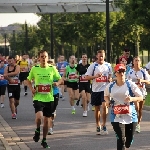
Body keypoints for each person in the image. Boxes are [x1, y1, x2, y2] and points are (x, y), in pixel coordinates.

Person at [27, 50, 62, 148]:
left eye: (45, 56)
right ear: (39, 58)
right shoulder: (35, 68)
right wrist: (31, 89)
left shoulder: (52, 68)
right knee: (39, 117)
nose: (43, 58)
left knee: (47, 121)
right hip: (38, 97)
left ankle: (44, 140)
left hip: (49, 98)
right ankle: (37, 129)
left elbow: (60, 79)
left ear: (48, 57)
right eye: (42, 56)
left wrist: (57, 83)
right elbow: (28, 80)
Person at [104, 64, 143, 150]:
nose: (121, 73)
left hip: (131, 116)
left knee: (128, 142)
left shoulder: (130, 84)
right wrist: (107, 101)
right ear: (116, 73)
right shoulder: (110, 86)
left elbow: (140, 97)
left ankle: (128, 141)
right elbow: (106, 95)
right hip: (116, 116)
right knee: (121, 139)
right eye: (119, 71)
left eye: (123, 71)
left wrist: (132, 98)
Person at [85, 50, 112, 135]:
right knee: (97, 108)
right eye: (99, 56)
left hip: (105, 89)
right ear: (97, 56)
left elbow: (110, 75)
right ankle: (98, 124)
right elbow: (86, 77)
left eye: (102, 56)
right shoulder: (93, 66)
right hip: (96, 90)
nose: (101, 58)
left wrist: (110, 78)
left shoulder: (108, 65)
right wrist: (95, 76)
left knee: (104, 106)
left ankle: (104, 125)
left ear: (104, 56)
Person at [126, 56, 150, 133]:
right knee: (136, 107)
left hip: (142, 92)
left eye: (138, 60)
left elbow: (149, 82)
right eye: (136, 60)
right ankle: (133, 123)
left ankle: (138, 124)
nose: (137, 62)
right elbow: (126, 81)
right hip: (133, 93)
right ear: (133, 62)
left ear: (140, 62)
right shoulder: (130, 72)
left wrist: (142, 80)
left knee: (139, 109)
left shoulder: (143, 71)